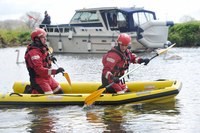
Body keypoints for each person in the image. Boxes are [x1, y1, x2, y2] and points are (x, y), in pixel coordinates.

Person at [24, 28, 64, 94]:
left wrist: (50, 59)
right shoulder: (33, 53)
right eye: (43, 37)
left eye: (45, 37)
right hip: (38, 80)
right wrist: (55, 71)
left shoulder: (43, 49)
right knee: (49, 95)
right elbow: (39, 70)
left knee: (59, 91)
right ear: (37, 39)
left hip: (48, 78)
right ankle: (31, 90)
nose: (45, 39)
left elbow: (44, 60)